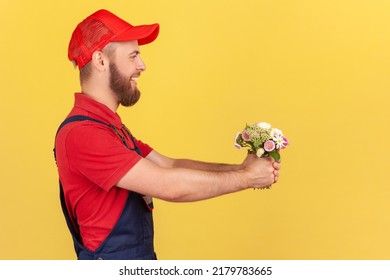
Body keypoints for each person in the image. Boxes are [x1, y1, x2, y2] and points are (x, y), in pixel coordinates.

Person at [54, 9, 281, 260]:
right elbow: (169, 185)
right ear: (100, 60)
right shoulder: (83, 133)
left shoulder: (109, 128)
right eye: (133, 56)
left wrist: (240, 169)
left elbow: (170, 165)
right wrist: (248, 178)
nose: (142, 66)